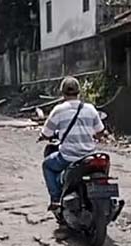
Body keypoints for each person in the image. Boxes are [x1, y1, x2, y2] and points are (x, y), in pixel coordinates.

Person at [40, 76, 106, 211]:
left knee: (47, 165)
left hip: (68, 157)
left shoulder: (59, 110)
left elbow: (46, 133)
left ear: (62, 93)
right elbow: (100, 131)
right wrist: (95, 135)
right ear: (79, 92)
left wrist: (43, 136)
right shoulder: (90, 109)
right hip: (89, 156)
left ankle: (56, 199)